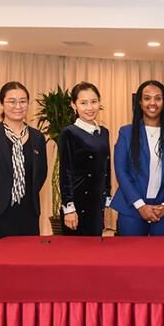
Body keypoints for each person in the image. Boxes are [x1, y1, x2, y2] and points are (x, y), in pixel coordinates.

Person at [0, 81, 48, 246]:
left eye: (22, 101)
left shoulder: (37, 137)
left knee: (25, 257)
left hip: (27, 212)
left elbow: (41, 173)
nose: (18, 106)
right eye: (12, 101)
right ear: (2, 103)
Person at [111, 80, 164, 236]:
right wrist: (140, 205)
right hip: (131, 207)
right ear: (140, 102)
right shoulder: (126, 133)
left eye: (158, 98)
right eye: (147, 98)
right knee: (131, 252)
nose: (152, 103)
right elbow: (121, 171)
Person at [58, 82, 111, 236]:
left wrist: (107, 200)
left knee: (95, 248)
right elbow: (65, 172)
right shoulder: (69, 133)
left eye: (94, 102)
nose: (90, 107)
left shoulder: (103, 132)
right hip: (77, 205)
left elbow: (106, 168)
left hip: (97, 204)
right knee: (76, 249)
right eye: (83, 103)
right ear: (74, 105)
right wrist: (69, 208)